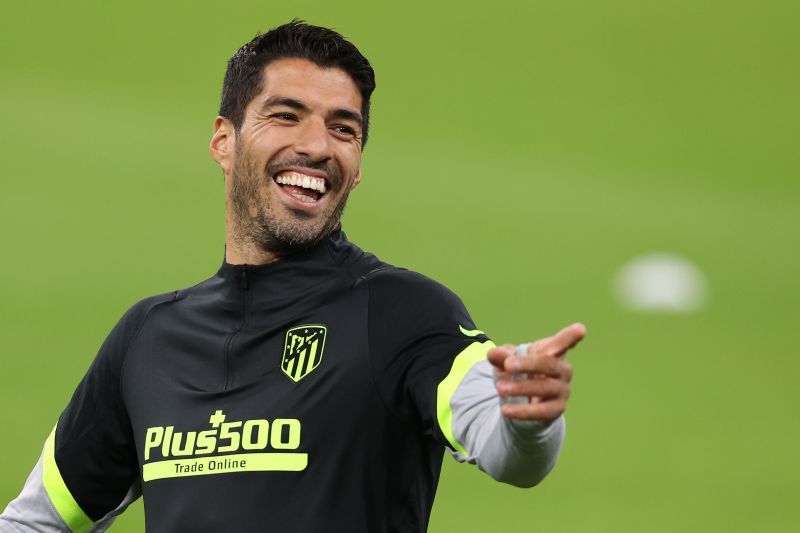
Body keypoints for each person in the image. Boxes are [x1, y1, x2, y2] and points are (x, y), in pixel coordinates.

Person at [0, 20, 586, 533]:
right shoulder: (148, 340)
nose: (316, 147)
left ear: (357, 169)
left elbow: (501, 445)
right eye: (286, 116)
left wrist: (528, 421)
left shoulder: (399, 312)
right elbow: (36, 521)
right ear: (223, 141)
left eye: (343, 129)